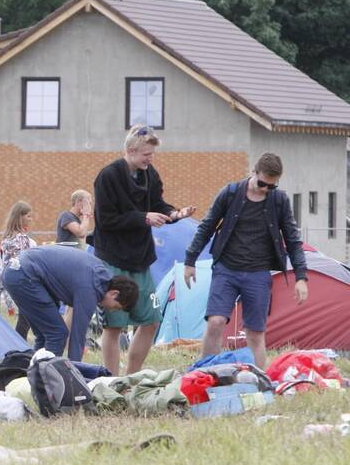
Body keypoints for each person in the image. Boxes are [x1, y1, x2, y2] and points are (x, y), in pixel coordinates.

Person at [183, 153, 308, 367]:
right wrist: (190, 260)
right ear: (253, 172)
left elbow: (293, 240)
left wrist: (301, 277)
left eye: (272, 186)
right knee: (215, 322)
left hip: (258, 274)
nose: (266, 189)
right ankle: (203, 375)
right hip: (226, 269)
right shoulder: (230, 193)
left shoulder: (279, 201)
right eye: (262, 183)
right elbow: (207, 226)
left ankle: (260, 383)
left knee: (255, 333)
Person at [92, 126, 195, 375]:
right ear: (130, 151)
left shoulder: (150, 174)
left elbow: (158, 204)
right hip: (113, 260)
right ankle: (112, 379)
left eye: (152, 154)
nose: (150, 159)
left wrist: (173, 214)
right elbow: (106, 220)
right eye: (146, 154)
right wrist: (143, 218)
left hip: (142, 262)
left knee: (153, 317)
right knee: (114, 326)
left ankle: (132, 376)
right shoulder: (108, 177)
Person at [1, 245, 139, 363]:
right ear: (114, 293)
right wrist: (76, 372)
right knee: (57, 334)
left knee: (45, 335)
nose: (111, 309)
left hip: (17, 271)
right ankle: (47, 382)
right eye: (116, 307)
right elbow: (78, 337)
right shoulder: (91, 288)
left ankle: (33, 375)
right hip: (24, 275)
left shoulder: (98, 274)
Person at [0, 201, 37, 341]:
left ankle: (20, 344)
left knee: (25, 317)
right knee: (26, 317)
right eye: (29, 216)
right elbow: (26, 258)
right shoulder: (21, 238)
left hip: (9, 278)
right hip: (22, 279)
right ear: (20, 217)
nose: (31, 220)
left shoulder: (8, 236)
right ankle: (20, 345)